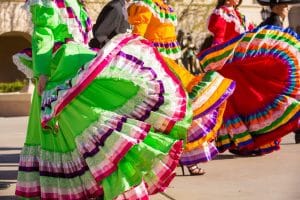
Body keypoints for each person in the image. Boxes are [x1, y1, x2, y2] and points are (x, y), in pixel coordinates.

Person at [12, 0, 190, 199]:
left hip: (62, 66)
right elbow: (50, 34)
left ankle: (72, 188)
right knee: (91, 128)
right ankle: (105, 182)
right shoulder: (73, 4)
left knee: (76, 130)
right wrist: (43, 71)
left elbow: (44, 33)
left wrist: (42, 72)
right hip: (73, 62)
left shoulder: (54, 3)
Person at [128, 0, 236, 175]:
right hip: (154, 68)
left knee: (190, 106)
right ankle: (163, 161)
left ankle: (187, 157)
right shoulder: (145, 5)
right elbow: (137, 39)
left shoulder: (165, 8)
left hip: (173, 67)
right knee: (169, 113)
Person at [197, 25, 300, 156]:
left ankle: (249, 142)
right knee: (247, 105)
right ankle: (249, 143)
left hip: (235, 63)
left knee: (248, 104)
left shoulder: (232, 15)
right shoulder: (221, 14)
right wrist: (217, 52)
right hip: (228, 61)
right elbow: (219, 34)